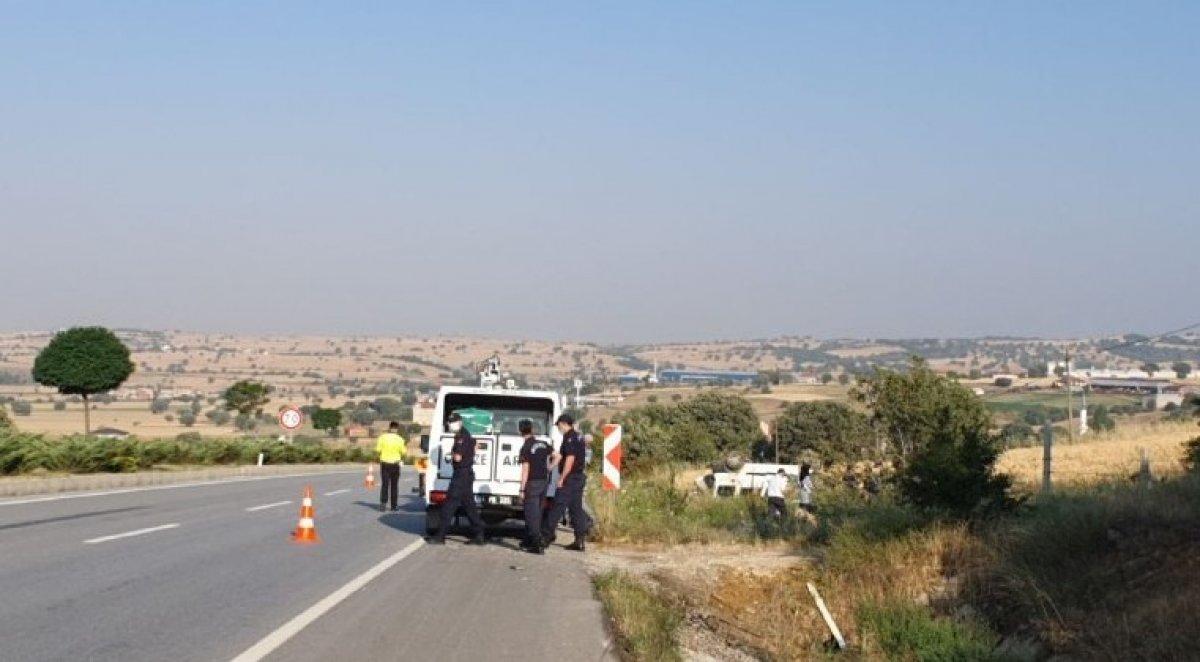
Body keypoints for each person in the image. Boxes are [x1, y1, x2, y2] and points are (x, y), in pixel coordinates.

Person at [426, 412, 486, 545]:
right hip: (466, 475)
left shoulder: (461, 437)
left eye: (452, 422)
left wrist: (452, 453)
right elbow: (474, 447)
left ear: (459, 422)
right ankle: (479, 535)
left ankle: (440, 536)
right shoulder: (466, 434)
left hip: (460, 476)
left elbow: (458, 457)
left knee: (449, 506)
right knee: (470, 507)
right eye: (450, 422)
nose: (450, 425)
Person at [542, 414, 592, 551]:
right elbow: (561, 456)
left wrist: (562, 478)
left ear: (564, 424)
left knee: (557, 506)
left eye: (558, 425)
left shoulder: (570, 438)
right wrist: (550, 467)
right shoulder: (577, 436)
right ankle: (579, 540)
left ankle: (546, 537)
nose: (558, 428)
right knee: (576, 509)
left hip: (570, 478)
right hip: (578, 478)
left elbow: (569, 459)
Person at [517, 419, 552, 554]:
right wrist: (549, 467)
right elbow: (558, 456)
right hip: (544, 482)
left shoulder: (525, 447)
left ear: (520, 431)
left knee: (531, 515)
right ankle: (531, 540)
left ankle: (537, 545)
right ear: (532, 429)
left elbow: (525, 469)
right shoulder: (543, 444)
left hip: (532, 483)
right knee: (538, 513)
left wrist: (521, 489)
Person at [375, 421, 407, 512]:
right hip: (395, 464)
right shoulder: (400, 439)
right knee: (394, 485)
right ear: (397, 429)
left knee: (385, 484)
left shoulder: (382, 437)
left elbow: (378, 450)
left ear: (390, 428)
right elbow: (404, 452)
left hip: (385, 463)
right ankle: (394, 506)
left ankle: (383, 504)